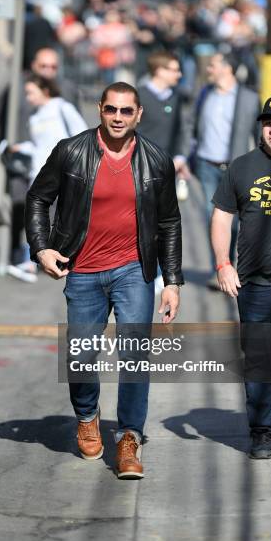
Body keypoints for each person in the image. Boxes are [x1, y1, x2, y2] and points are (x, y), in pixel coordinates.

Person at [25, 82, 183, 479]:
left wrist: (173, 282)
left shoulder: (156, 161)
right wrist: (42, 247)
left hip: (134, 270)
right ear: (99, 109)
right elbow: (37, 198)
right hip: (83, 269)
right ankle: (87, 415)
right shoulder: (72, 151)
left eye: (126, 111)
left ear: (139, 114)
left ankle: (129, 437)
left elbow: (168, 223)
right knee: (80, 356)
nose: (117, 117)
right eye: (111, 109)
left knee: (134, 355)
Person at [211, 95, 271, 463]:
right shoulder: (242, 167)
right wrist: (223, 264)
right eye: (267, 121)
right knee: (260, 360)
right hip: (253, 283)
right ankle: (263, 428)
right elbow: (222, 216)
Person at [7, 75, 87, 282]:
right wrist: (21, 148)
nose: (28, 97)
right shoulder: (35, 116)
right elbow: (39, 146)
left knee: (52, 219)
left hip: (63, 173)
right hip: (38, 173)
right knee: (37, 218)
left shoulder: (61, 107)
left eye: (31, 92)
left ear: (45, 90)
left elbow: (82, 133)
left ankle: (35, 262)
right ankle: (32, 262)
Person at [191, 51, 261, 289]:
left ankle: (241, 269)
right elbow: (193, 127)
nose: (209, 69)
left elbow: (259, 135)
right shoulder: (205, 94)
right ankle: (219, 269)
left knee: (241, 222)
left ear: (227, 69)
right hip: (206, 165)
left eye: (213, 65)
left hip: (236, 168)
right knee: (215, 219)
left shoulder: (250, 98)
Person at [137, 51, 190, 293]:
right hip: (139, 167)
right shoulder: (140, 96)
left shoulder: (176, 97)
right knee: (141, 219)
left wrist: (180, 158)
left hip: (166, 169)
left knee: (163, 223)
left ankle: (159, 271)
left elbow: (181, 129)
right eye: (173, 69)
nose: (178, 74)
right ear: (159, 70)